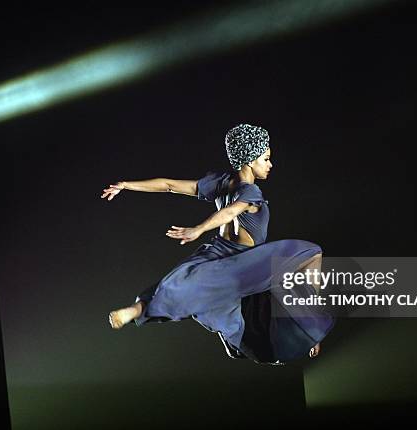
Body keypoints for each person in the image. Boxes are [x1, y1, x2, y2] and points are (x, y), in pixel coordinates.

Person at [102, 124, 334, 365]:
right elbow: (231, 211)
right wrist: (199, 229)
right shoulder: (251, 191)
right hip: (243, 261)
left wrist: (127, 185)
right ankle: (306, 322)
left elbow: (169, 184)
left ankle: (134, 310)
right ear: (250, 161)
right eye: (266, 159)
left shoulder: (222, 183)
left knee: (180, 285)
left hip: (214, 254)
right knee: (311, 252)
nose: (270, 164)